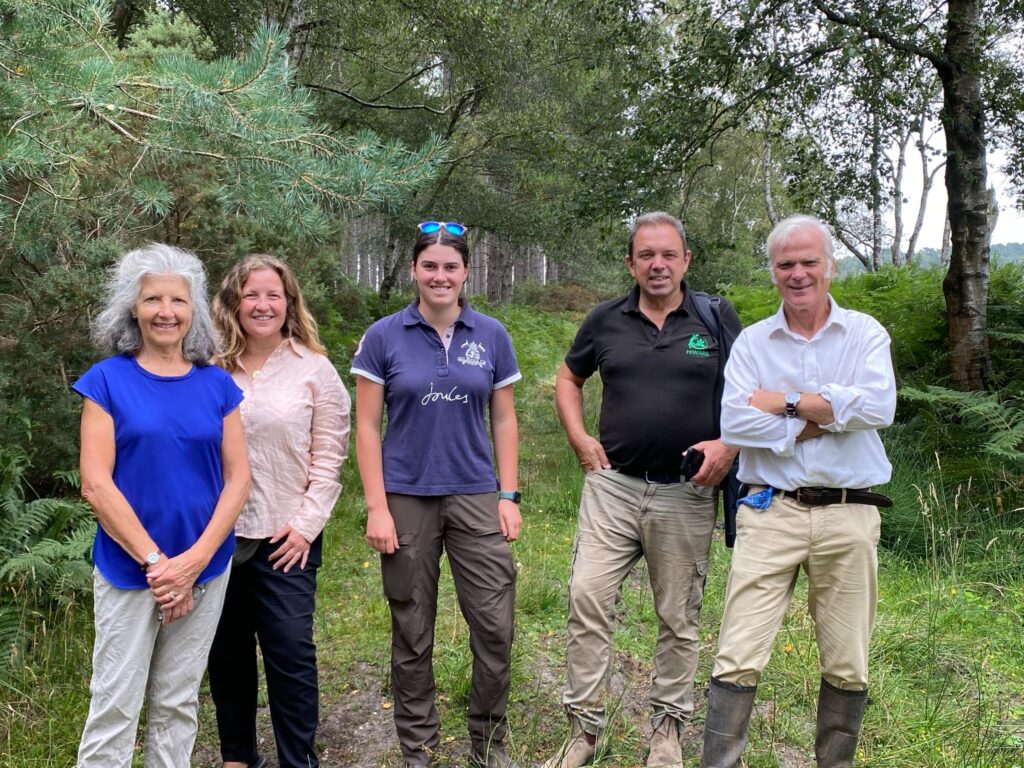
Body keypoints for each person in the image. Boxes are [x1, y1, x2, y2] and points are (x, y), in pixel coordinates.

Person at [543, 212, 741, 768]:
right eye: (646, 255)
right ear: (630, 263)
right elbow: (568, 377)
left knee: (678, 615)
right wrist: (580, 438)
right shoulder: (605, 320)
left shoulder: (717, 317)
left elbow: (752, 388)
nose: (658, 264)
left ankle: (666, 733)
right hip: (613, 489)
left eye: (668, 254)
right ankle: (583, 731)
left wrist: (729, 445)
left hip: (686, 493)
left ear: (686, 260)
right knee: (587, 598)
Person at [701, 215, 896, 768]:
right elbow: (736, 426)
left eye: (810, 261)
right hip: (770, 510)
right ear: (773, 272)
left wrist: (785, 402)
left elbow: (879, 407)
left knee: (847, 661)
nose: (799, 273)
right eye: (786, 264)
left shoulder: (865, 334)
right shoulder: (753, 343)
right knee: (737, 654)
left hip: (849, 513)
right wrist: (833, 411)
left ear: (830, 266)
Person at [351, 220, 522, 768]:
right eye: (430, 266)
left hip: (475, 492)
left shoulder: (491, 335)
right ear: (414, 271)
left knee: (494, 625)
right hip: (405, 496)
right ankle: (418, 747)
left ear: (466, 272)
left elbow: (504, 418)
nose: (440, 276)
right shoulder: (382, 336)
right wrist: (377, 506)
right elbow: (367, 426)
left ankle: (489, 740)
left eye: (451, 267)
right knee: (412, 625)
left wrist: (508, 493)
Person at [74, 243, 251, 767]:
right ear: (133, 307)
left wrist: (192, 563)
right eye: (153, 299)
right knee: (114, 705)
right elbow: (95, 484)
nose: (165, 311)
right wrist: (159, 565)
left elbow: (239, 479)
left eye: (177, 300)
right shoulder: (107, 380)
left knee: (177, 703)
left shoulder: (218, 385)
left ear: (193, 310)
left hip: (205, 568)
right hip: (130, 570)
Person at [208, 254, 351, 768]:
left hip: (287, 539)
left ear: (290, 303)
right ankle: (237, 758)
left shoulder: (314, 369)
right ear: (233, 303)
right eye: (252, 295)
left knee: (290, 656)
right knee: (227, 657)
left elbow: (330, 455)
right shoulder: (207, 366)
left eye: (274, 295)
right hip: (218, 539)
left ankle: (297, 760)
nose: (262, 305)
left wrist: (307, 526)